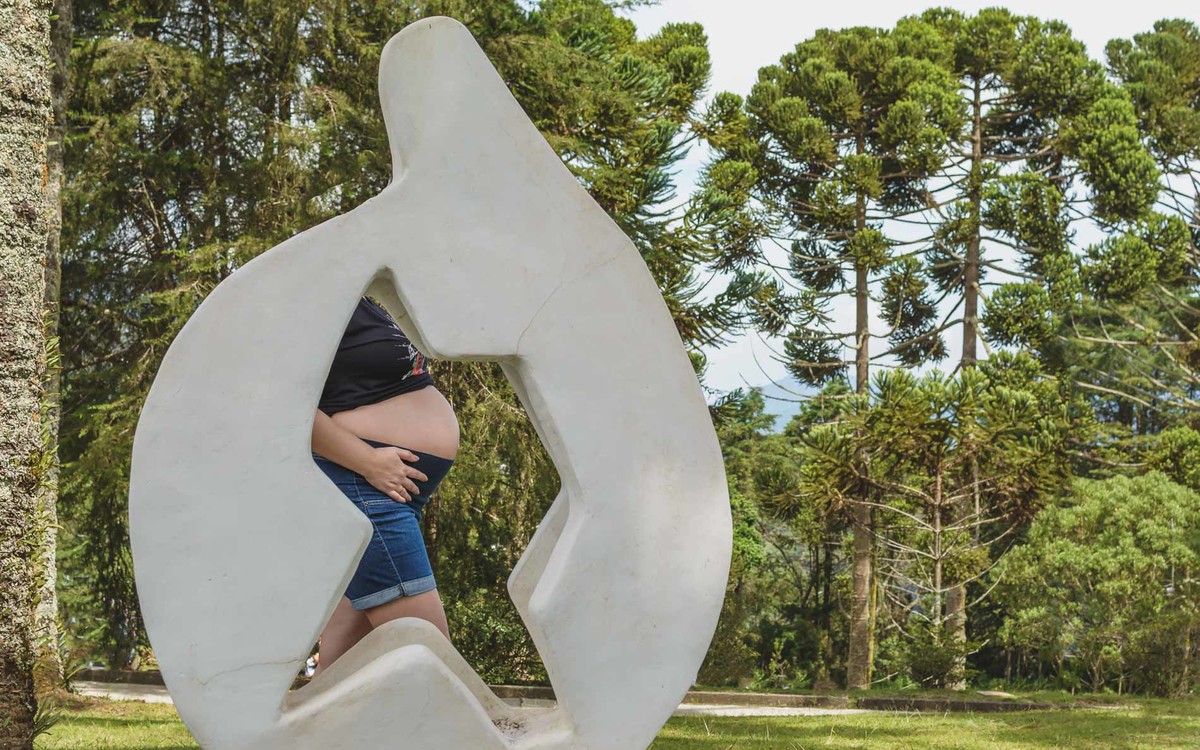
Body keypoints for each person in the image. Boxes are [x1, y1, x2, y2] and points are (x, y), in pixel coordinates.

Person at [309, 294, 460, 675]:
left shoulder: (364, 297)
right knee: (431, 661)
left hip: (389, 494)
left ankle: (325, 736)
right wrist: (368, 462)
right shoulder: (306, 297)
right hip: (366, 488)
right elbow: (282, 403)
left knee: (338, 673)